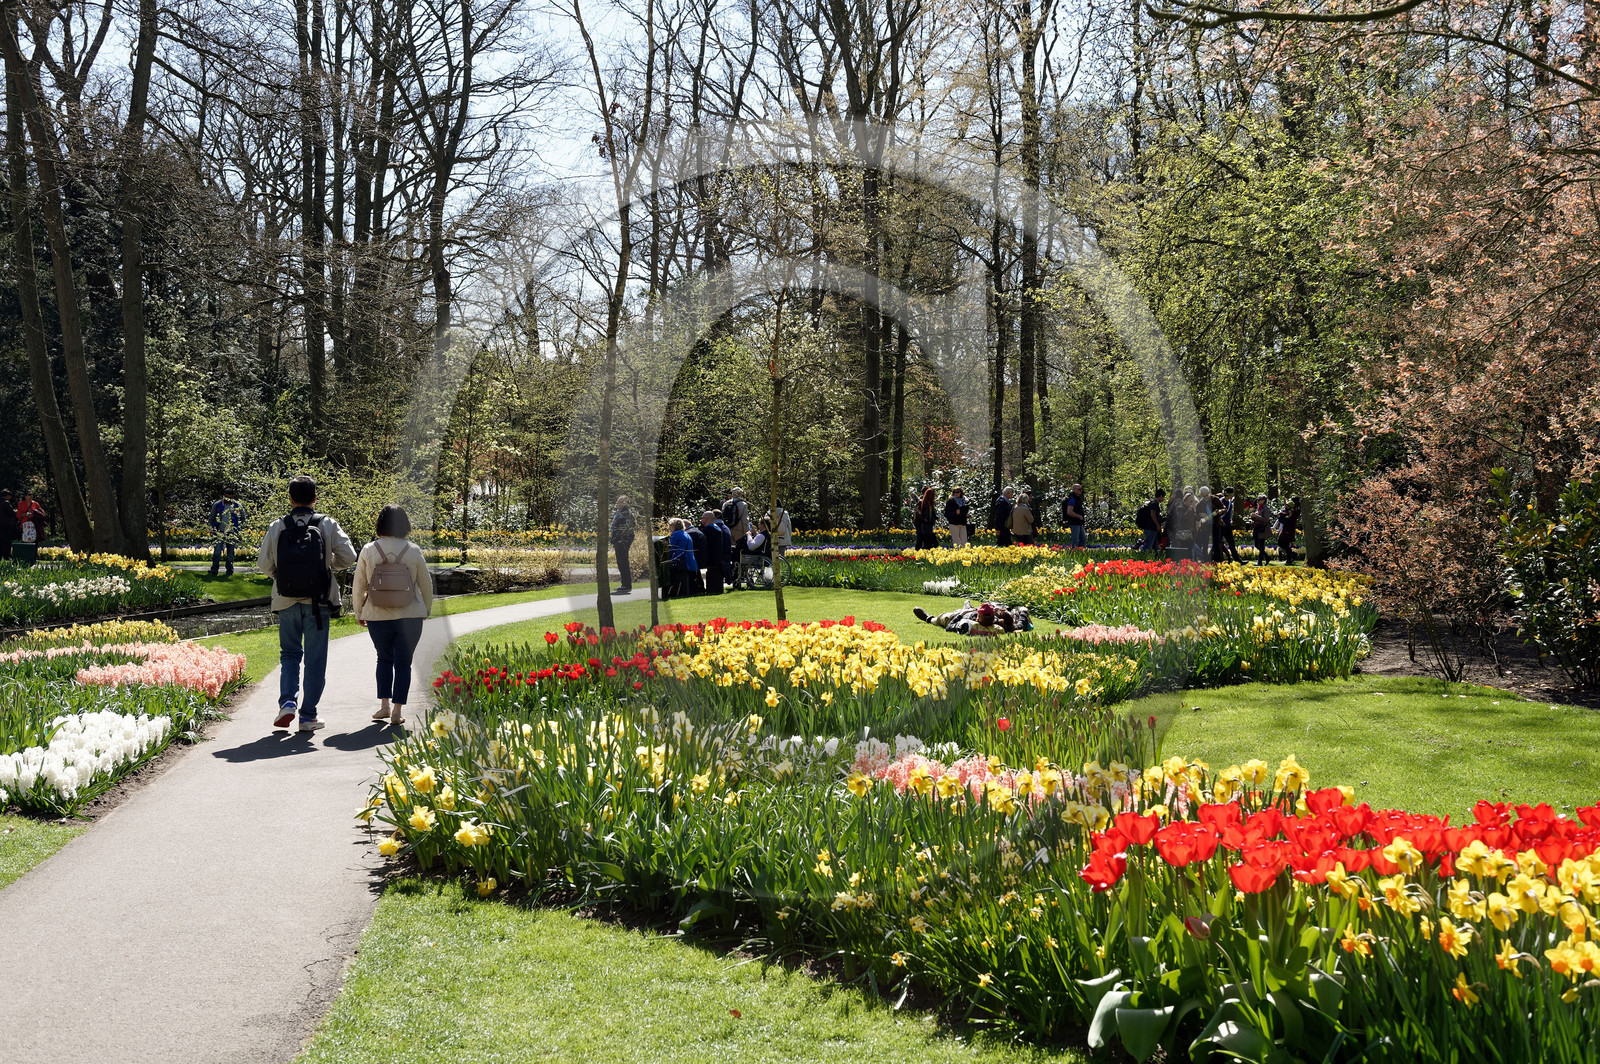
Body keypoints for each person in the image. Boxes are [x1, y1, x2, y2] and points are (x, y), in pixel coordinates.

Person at [257, 475, 358, 734]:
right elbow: (349, 556)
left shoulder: (278, 526)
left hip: (286, 599)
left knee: (290, 654)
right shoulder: (327, 524)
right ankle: (308, 716)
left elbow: (264, 564)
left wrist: (281, 576)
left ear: (290, 499)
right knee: (315, 659)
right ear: (315, 498)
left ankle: (287, 702)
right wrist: (326, 566)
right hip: (319, 601)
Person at [351, 504, 434, 727]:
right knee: (404, 663)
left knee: (383, 659)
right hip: (410, 615)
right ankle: (397, 711)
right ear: (405, 524)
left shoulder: (369, 549)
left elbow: (359, 585)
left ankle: (384, 706)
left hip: (377, 615)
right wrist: (426, 609)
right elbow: (426, 584)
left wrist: (359, 611)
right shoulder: (413, 550)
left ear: (380, 523)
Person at [912, 600, 1032, 635]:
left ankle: (929, 618)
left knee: (940, 619)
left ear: (978, 618)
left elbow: (950, 627)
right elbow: (1020, 625)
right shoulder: (1002, 627)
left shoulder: (967, 625)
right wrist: (1022, 612)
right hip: (970, 612)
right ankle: (968, 606)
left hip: (958, 616)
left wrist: (962, 613)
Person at [208, 489, 247, 577]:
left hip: (232, 533)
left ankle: (229, 571)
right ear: (224, 496)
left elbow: (243, 519)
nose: (228, 499)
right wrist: (211, 529)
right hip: (219, 531)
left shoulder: (237, 505)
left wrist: (240, 530)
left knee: (230, 553)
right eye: (227, 497)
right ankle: (214, 570)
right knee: (217, 551)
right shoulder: (217, 505)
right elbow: (211, 518)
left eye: (230, 497)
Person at [609, 495, 637, 594]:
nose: (618, 502)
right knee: (621, 562)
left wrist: (620, 541)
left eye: (620, 501)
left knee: (623, 562)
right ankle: (624, 584)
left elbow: (627, 529)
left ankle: (626, 585)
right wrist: (614, 540)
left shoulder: (626, 513)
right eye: (618, 500)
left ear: (625, 502)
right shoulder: (620, 512)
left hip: (622, 541)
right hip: (618, 541)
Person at [721, 488, 750, 578]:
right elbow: (745, 520)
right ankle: (739, 573)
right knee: (740, 553)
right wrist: (746, 532)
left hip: (728, 530)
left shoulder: (725, 504)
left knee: (730, 551)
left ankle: (730, 571)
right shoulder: (743, 504)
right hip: (739, 531)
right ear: (740, 494)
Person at [699, 511, 729, 595]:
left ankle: (712, 591)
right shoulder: (718, 529)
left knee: (712, 577)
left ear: (706, 519)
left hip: (711, 558)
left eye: (702, 518)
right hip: (718, 558)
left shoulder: (708, 530)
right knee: (717, 576)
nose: (701, 520)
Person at [667, 517, 698, 596]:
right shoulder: (686, 534)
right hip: (689, 561)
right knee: (684, 581)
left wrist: (668, 559)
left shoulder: (675, 534)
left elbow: (671, 549)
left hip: (679, 561)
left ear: (673, 526)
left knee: (676, 581)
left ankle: (675, 594)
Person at [1135, 489, 1165, 554]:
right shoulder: (1154, 504)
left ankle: (1155, 557)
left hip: (1151, 527)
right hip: (1151, 527)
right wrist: (1158, 525)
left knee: (1155, 545)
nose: (1163, 499)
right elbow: (1153, 515)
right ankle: (1142, 556)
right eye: (1163, 497)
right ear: (1160, 496)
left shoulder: (1152, 503)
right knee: (1148, 545)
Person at [1216, 487, 1241, 562]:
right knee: (1218, 543)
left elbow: (1230, 512)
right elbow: (1216, 512)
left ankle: (1237, 559)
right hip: (1221, 525)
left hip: (1227, 525)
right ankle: (1216, 558)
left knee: (1231, 543)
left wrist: (1230, 519)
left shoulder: (1230, 502)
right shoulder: (1220, 501)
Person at [1168, 488, 1193, 562]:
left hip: (1189, 531)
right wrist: (1189, 511)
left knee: (1190, 548)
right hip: (1182, 532)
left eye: (1192, 501)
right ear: (1185, 500)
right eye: (1190, 501)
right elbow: (1181, 519)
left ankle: (1188, 562)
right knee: (1183, 548)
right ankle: (1182, 562)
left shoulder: (1191, 508)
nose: (1192, 503)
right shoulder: (1180, 508)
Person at [1278, 497, 1302, 565]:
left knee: (1285, 543)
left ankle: (1289, 558)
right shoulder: (1293, 510)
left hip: (1289, 529)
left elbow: (1287, 516)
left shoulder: (1294, 511)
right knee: (1281, 542)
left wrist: (1283, 514)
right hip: (1286, 528)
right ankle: (1292, 554)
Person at [1062, 483, 1087, 549]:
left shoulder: (1077, 498)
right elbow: (1069, 512)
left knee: (1083, 539)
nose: (1081, 491)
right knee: (1075, 540)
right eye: (1079, 489)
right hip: (1074, 522)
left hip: (1079, 522)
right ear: (1074, 490)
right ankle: (1074, 552)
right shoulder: (1072, 499)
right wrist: (1078, 516)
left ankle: (1079, 551)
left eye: (1081, 489)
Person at [1251, 494, 1271, 565]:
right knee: (1257, 545)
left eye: (1259, 500)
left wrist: (1256, 516)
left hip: (1263, 529)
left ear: (1263, 500)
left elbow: (1266, 519)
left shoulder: (1266, 509)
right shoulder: (1258, 508)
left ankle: (1260, 562)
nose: (1257, 501)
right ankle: (1267, 557)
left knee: (1260, 545)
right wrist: (1253, 517)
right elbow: (1257, 518)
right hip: (1257, 528)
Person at [0, 489, 17, 560]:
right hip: (6, 525)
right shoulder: (6, 503)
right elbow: (11, 513)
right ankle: (6, 555)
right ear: (7, 496)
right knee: (7, 540)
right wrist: (16, 511)